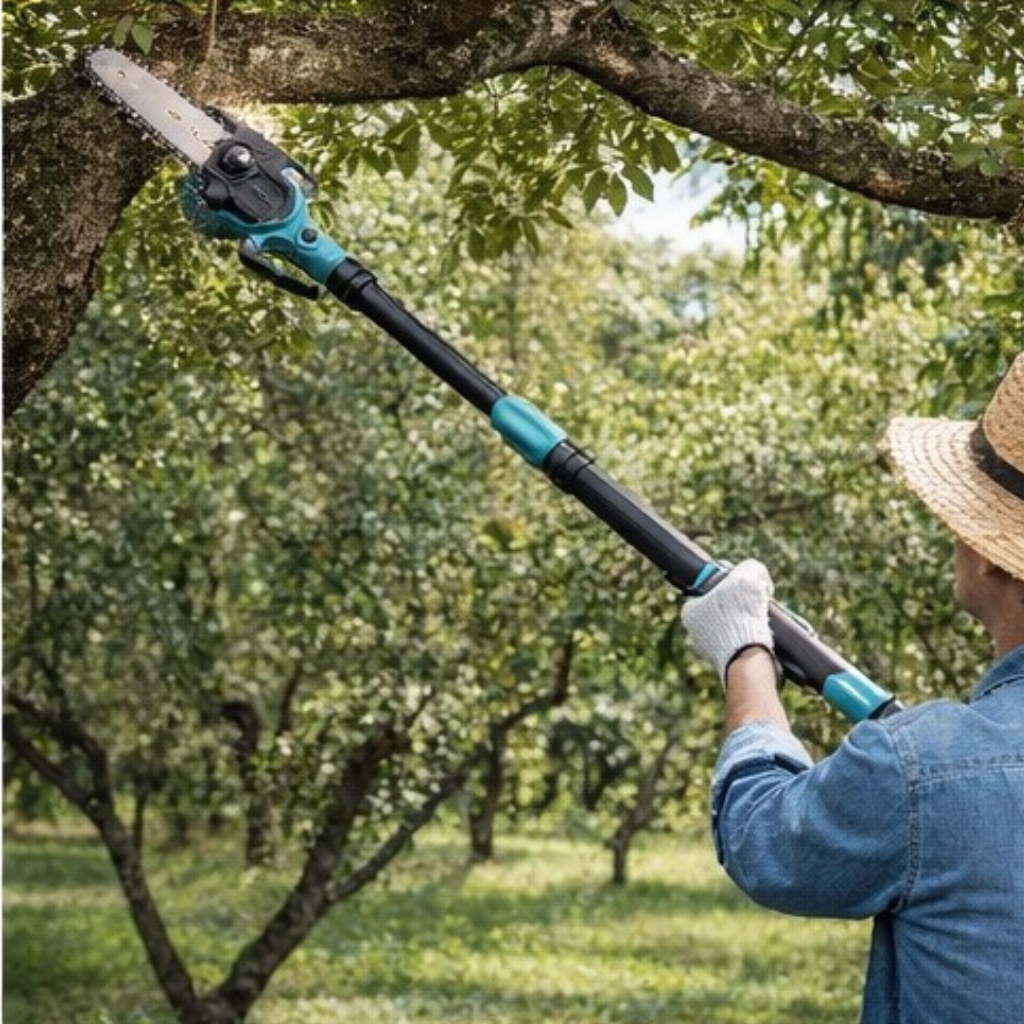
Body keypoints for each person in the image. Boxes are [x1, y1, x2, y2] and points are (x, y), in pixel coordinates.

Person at [681, 352, 1024, 1024]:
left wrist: (743, 652)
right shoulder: (930, 763)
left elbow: (764, 839)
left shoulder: (924, 767)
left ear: (989, 553)